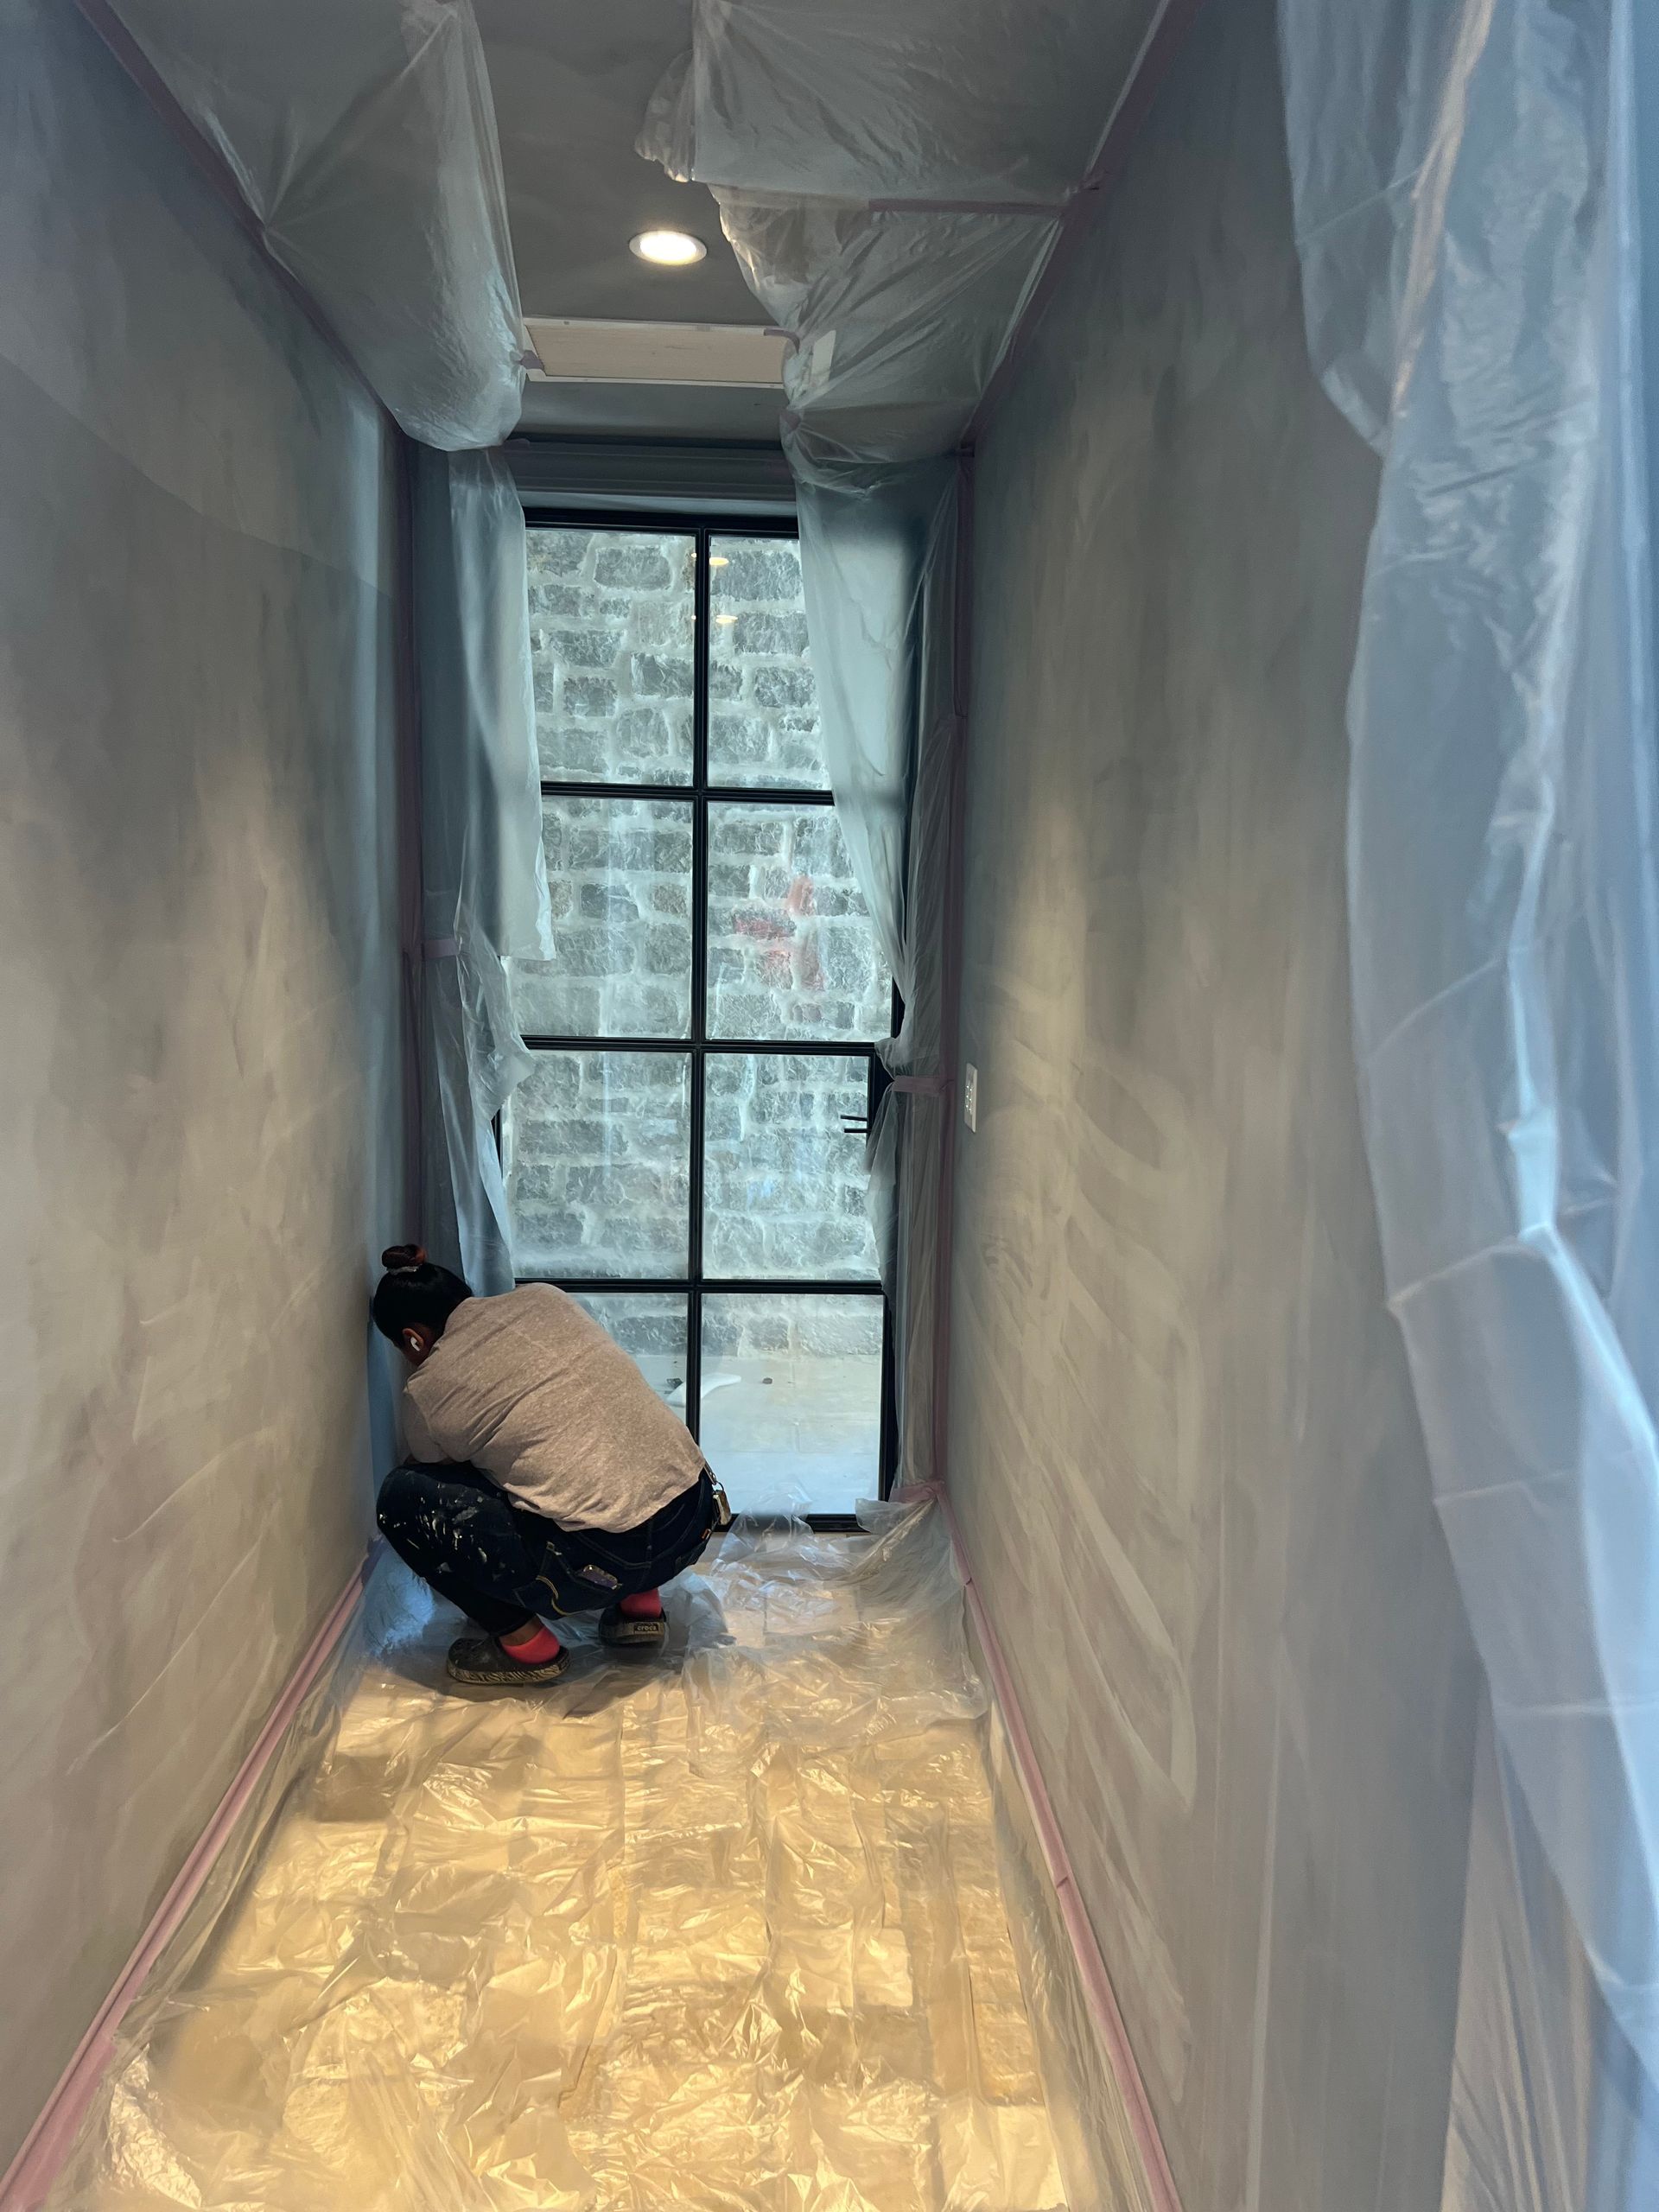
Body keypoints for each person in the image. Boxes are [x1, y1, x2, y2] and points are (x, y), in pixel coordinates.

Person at [370, 1245, 728, 1688]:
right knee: (599, 1441)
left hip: (605, 1563)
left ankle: (527, 1647)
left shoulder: (428, 1386)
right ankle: (641, 1607)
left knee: (403, 1496)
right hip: (691, 1522)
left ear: (413, 1338)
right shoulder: (545, 1297)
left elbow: (433, 1465)